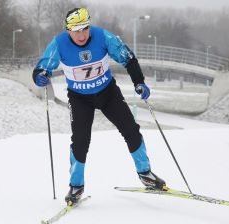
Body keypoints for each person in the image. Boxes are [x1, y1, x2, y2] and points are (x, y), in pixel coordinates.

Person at [32, 7, 166, 205]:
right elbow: (43, 67)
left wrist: (139, 82)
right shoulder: (59, 43)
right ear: (68, 30)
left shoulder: (103, 37)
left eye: (85, 29)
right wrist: (40, 76)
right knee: (80, 140)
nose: (81, 35)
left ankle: (145, 173)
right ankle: (76, 186)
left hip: (107, 93)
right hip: (80, 98)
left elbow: (128, 58)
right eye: (76, 30)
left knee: (131, 129)